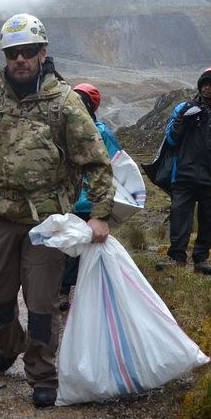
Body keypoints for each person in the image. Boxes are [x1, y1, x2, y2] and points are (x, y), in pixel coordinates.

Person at [0, 13, 114, 408]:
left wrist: (99, 213)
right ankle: (9, 346)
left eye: (28, 52)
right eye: (13, 53)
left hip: (48, 221)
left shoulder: (66, 104)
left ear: (43, 53)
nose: (20, 59)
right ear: (5, 56)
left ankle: (42, 374)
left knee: (41, 303)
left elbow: (96, 160)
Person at [155, 66, 211, 275]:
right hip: (182, 175)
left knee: (209, 221)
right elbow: (171, 139)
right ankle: (177, 258)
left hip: (210, 179)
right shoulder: (183, 109)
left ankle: (201, 259)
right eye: (204, 84)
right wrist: (182, 121)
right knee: (179, 217)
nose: (207, 88)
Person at [58, 83, 123, 312]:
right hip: (73, 201)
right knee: (71, 248)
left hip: (90, 202)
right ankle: (68, 293)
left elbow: (112, 165)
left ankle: (74, 294)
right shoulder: (66, 129)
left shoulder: (101, 133)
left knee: (82, 248)